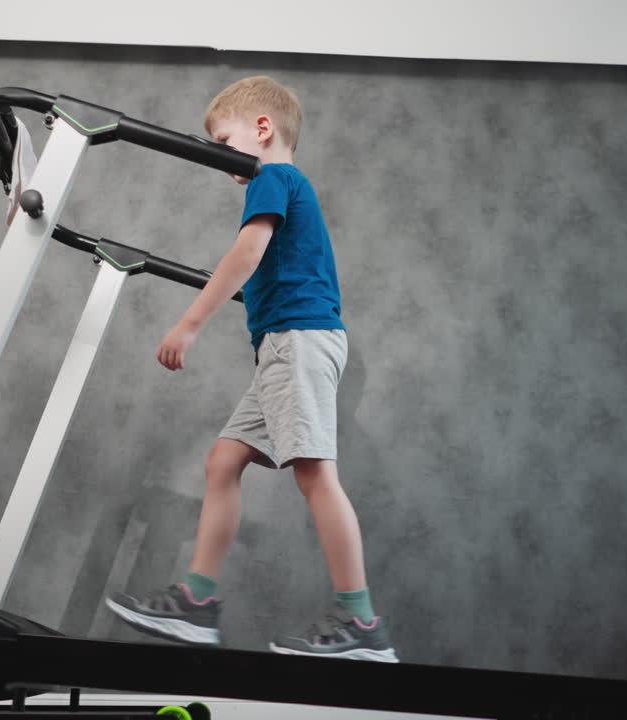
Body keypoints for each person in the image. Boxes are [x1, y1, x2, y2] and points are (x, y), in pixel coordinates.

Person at [105, 76, 397, 662]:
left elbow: (248, 252)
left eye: (223, 139)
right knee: (224, 460)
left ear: (262, 130)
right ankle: (197, 602)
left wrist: (189, 323)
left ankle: (362, 625)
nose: (219, 154)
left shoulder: (274, 177)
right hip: (283, 346)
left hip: (299, 341)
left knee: (315, 474)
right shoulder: (282, 184)